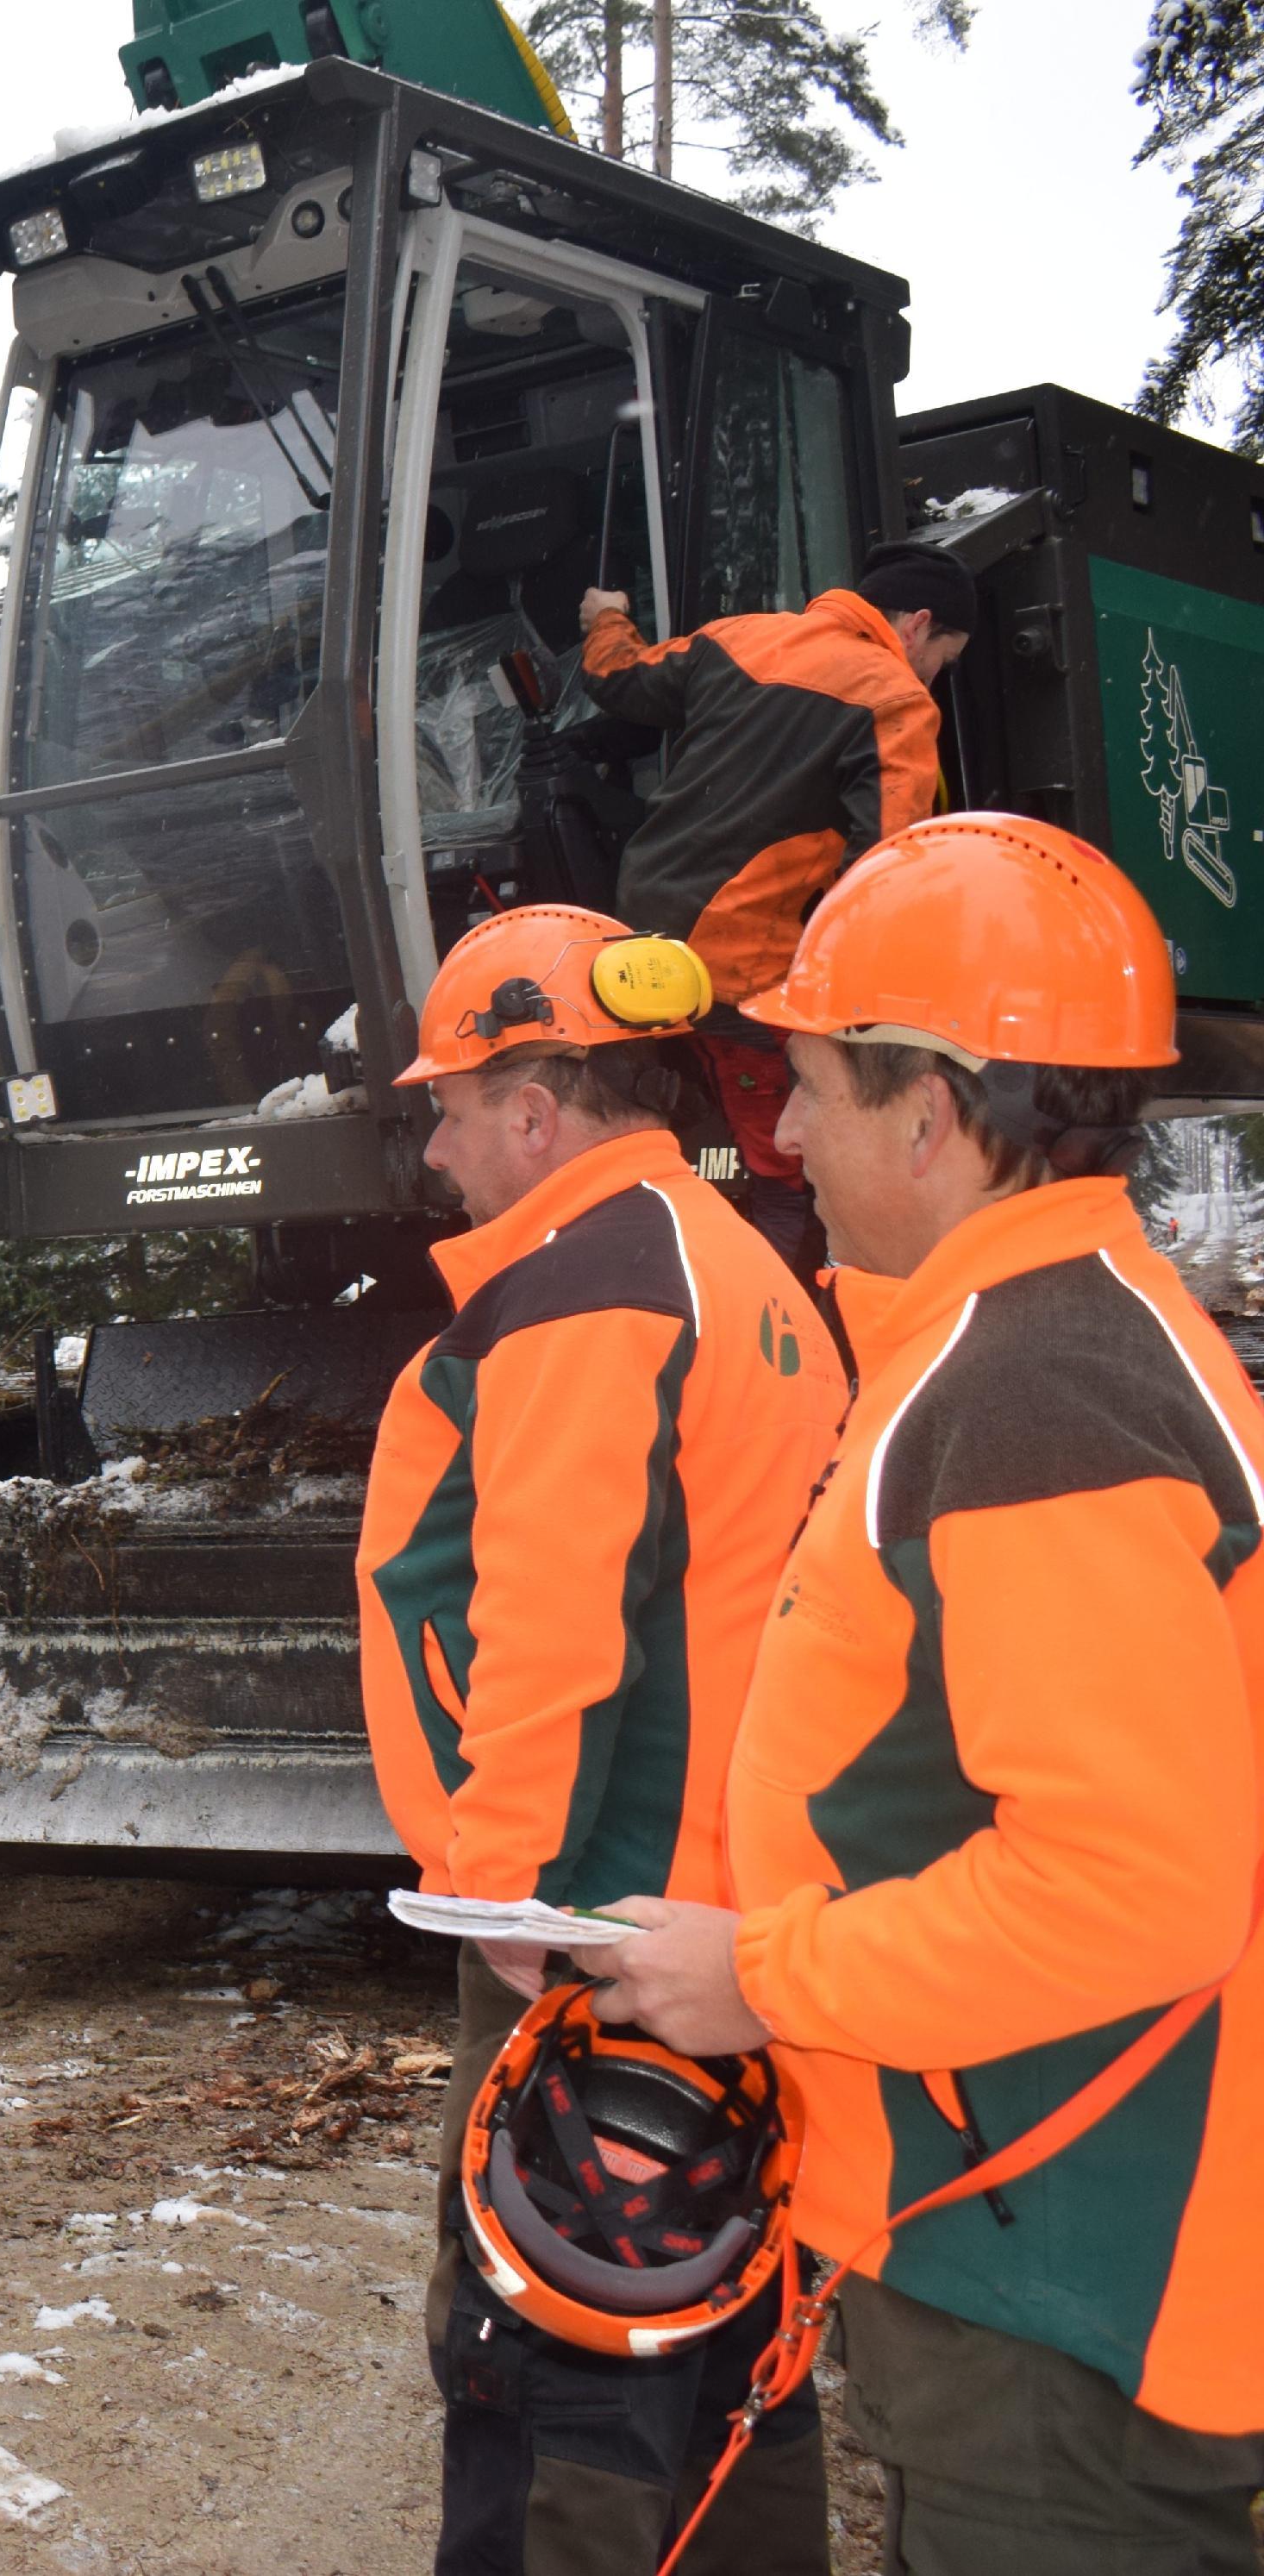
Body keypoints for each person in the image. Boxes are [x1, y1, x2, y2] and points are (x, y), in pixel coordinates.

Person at [598, 813, 1264, 2574]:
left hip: (1069, 2290)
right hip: (1033, 2227)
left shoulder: (1040, 1392)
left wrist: (762, 1976)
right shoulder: (1023, 1342)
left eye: (810, 1085)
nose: (782, 1134)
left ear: (933, 1111)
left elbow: (1130, 1885)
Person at [357, 906, 852, 2575]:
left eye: (448, 1110)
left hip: (600, 1936)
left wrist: (508, 1903)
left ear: (533, 1107)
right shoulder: (735, 1262)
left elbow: (554, 1621)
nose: (437, 1153)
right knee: (724, 2364)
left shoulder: (588, 1284)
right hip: (720, 1926)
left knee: (546, 2377)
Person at [576, 543, 973, 1269]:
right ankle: (781, 1313)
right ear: (917, 625)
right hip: (738, 969)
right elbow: (887, 869)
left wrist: (606, 616)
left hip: (641, 937)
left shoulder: (740, 637)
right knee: (788, 1171)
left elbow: (617, 676)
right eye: (945, 657)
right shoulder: (894, 699)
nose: (935, 675)